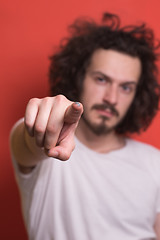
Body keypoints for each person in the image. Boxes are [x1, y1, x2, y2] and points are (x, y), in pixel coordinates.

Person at [10, 13, 160, 240]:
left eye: (126, 87)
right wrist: (46, 121)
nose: (112, 98)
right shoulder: (46, 146)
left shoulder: (154, 162)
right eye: (101, 79)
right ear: (79, 78)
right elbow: (29, 142)